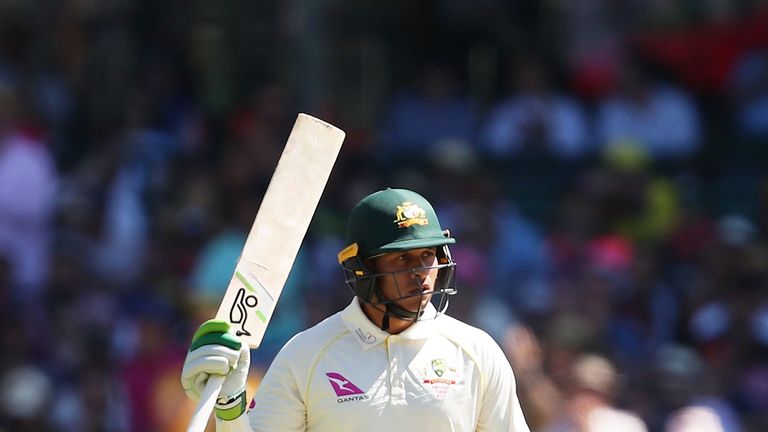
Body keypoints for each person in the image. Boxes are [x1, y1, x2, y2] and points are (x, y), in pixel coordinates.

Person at [181, 188, 531, 431]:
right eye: (401, 258)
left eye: (428, 256)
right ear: (361, 268)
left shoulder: (477, 352)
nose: (420, 273)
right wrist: (229, 407)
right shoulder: (306, 355)